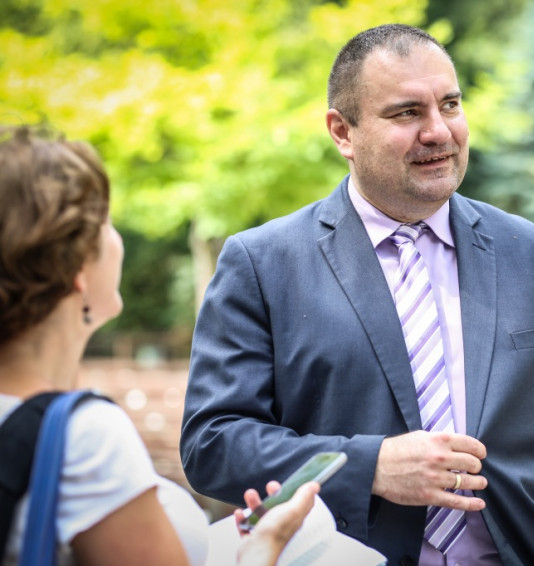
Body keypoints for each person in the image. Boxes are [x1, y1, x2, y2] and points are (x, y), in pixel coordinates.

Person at [180, 23, 534, 566]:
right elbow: (212, 444)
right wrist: (369, 466)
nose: (438, 132)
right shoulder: (262, 263)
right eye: (407, 113)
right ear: (342, 132)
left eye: (450, 105)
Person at [0, 126, 317, 566]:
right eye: (106, 223)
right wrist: (264, 549)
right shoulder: (85, 439)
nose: (116, 239)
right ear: (76, 268)